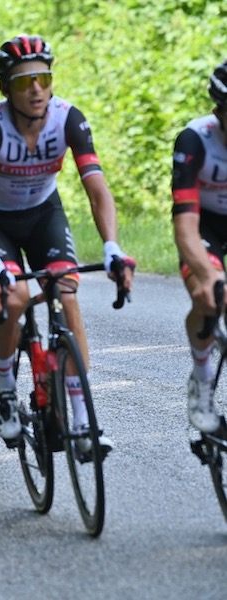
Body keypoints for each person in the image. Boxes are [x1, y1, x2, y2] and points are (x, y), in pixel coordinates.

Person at [0, 35, 134, 451]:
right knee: (17, 298)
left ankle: (83, 421)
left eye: (43, 78)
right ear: (6, 88)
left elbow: (97, 189)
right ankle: (5, 388)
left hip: (44, 212)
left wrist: (111, 245)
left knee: (66, 291)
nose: (37, 89)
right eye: (25, 82)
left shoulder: (68, 119)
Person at [172, 59, 227, 433]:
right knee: (212, 296)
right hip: (204, 223)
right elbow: (185, 225)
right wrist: (209, 275)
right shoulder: (195, 140)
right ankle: (202, 381)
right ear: (218, 111)